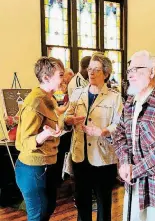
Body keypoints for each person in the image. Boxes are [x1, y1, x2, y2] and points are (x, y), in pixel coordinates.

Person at [112, 50, 155, 221]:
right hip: (134, 184)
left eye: (137, 69)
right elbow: (120, 134)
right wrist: (125, 162)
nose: (131, 74)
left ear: (152, 72)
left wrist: (134, 170)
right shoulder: (131, 101)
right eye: (129, 70)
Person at [64, 52, 123, 221]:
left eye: (96, 70)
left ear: (106, 73)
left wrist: (103, 131)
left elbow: (119, 125)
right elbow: (66, 119)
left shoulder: (115, 97)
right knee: (82, 203)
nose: (91, 73)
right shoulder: (77, 93)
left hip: (103, 158)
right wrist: (68, 121)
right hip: (79, 157)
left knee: (104, 203)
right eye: (89, 69)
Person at [15, 57, 65, 221]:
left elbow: (53, 121)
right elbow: (24, 142)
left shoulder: (48, 97)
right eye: (60, 75)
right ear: (46, 78)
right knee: (38, 215)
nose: (63, 80)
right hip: (32, 169)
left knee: (47, 208)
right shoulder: (34, 102)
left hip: (46, 166)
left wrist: (67, 121)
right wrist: (45, 135)